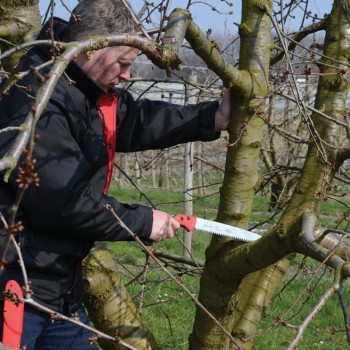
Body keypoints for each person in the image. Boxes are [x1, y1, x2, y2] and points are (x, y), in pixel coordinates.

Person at [0, 0, 231, 349]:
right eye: (123, 63)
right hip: (16, 293)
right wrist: (143, 222)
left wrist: (213, 118)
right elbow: (63, 202)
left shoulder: (86, 93)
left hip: (60, 292)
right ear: (92, 47)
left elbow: (137, 120)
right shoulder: (37, 99)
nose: (127, 75)